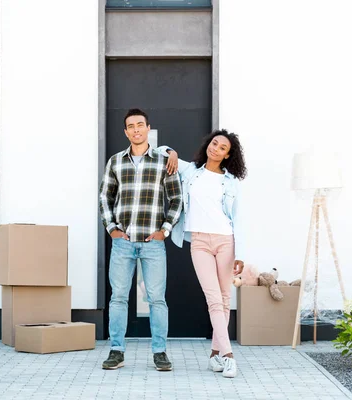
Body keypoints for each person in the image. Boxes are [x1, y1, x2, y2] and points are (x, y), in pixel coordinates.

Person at [99, 108, 183, 371]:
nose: (136, 130)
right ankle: (116, 351)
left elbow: (177, 199)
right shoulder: (115, 162)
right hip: (123, 242)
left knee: (157, 299)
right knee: (119, 298)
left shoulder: (163, 161)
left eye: (140, 125)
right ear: (125, 132)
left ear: (148, 128)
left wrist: (165, 230)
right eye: (130, 126)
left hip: (153, 243)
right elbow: (105, 198)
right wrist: (112, 228)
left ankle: (160, 352)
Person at [159, 129, 247, 378]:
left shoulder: (230, 182)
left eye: (222, 147)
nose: (216, 148)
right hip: (198, 241)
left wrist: (240, 251)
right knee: (213, 299)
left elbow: (238, 218)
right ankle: (228, 355)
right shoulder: (190, 171)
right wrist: (172, 152)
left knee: (224, 298)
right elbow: (158, 150)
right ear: (208, 144)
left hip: (225, 241)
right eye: (214, 143)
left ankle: (215, 355)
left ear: (228, 155)